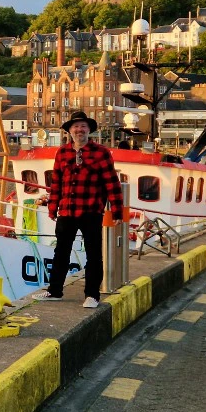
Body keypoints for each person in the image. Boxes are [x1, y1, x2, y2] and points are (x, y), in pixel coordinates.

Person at [32, 111, 123, 308]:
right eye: (75, 126)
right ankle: (54, 291)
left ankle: (92, 295)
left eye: (83, 126)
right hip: (67, 212)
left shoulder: (101, 153)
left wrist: (117, 211)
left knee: (93, 255)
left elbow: (112, 184)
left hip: (91, 212)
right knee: (61, 253)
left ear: (89, 129)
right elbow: (56, 183)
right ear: (69, 131)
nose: (79, 130)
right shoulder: (62, 153)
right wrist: (53, 207)